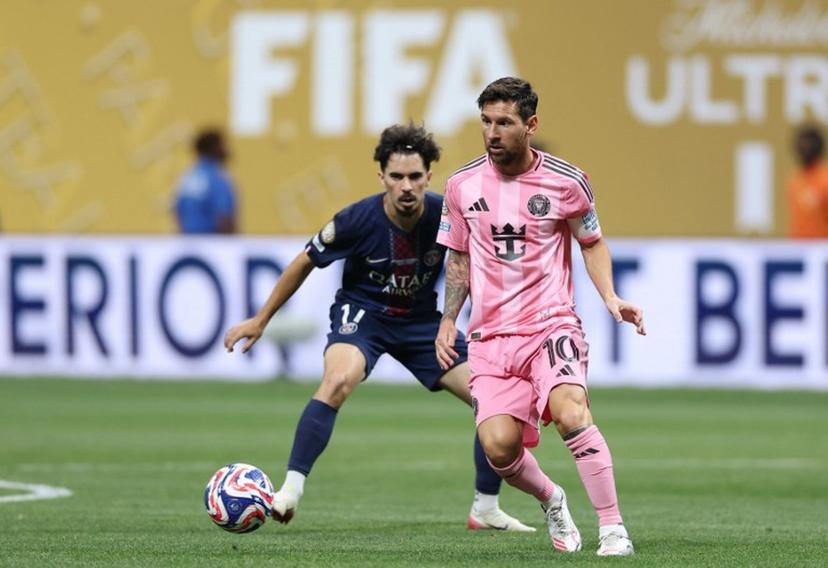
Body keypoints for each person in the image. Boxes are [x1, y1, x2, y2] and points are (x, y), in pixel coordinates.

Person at [224, 123, 531, 531]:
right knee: (338, 380)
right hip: (364, 315)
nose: (406, 186)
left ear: (429, 176)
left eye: (415, 176)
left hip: (421, 322)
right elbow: (304, 262)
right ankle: (291, 490)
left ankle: (486, 509)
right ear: (381, 176)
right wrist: (261, 319)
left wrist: (475, 321)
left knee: (493, 400)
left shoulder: (447, 215)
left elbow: (474, 266)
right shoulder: (356, 220)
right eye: (397, 176)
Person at [435, 77, 645, 556]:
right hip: (490, 338)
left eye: (504, 123)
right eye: (486, 122)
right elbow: (459, 256)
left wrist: (611, 296)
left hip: (551, 324)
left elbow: (591, 242)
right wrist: (449, 319)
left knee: (571, 410)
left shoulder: (567, 181)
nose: (493, 133)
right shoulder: (461, 186)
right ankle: (552, 499)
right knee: (498, 447)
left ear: (531, 125)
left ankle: (613, 529)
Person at [174, 128, 238, 234]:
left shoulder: (188, 177)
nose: (226, 150)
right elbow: (224, 216)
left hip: (187, 239)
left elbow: (178, 212)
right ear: (214, 148)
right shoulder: (217, 178)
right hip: (211, 240)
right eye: (223, 145)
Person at [787, 125, 828, 238]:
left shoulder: (825, 179)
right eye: (802, 144)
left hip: (822, 245)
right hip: (799, 245)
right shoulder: (795, 180)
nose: (804, 148)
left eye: (808, 144)